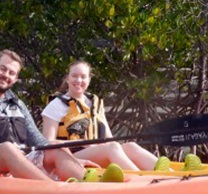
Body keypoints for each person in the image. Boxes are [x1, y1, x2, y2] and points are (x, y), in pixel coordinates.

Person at [0, 50, 123, 182]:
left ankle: (88, 183)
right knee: (7, 148)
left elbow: (40, 143)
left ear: (15, 79)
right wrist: (3, 150)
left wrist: (72, 159)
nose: (5, 75)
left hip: (20, 158)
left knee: (55, 144)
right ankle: (52, 190)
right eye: (3, 69)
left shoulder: (17, 104)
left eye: (11, 73)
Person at [41, 60, 173, 171]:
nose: (79, 80)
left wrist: (115, 149)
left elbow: (109, 139)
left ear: (89, 80)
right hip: (71, 157)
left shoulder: (95, 103)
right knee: (112, 148)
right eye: (74, 76)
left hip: (99, 152)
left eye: (83, 77)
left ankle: (172, 175)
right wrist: (82, 143)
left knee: (130, 146)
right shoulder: (56, 105)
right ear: (67, 79)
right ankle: (141, 181)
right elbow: (48, 144)